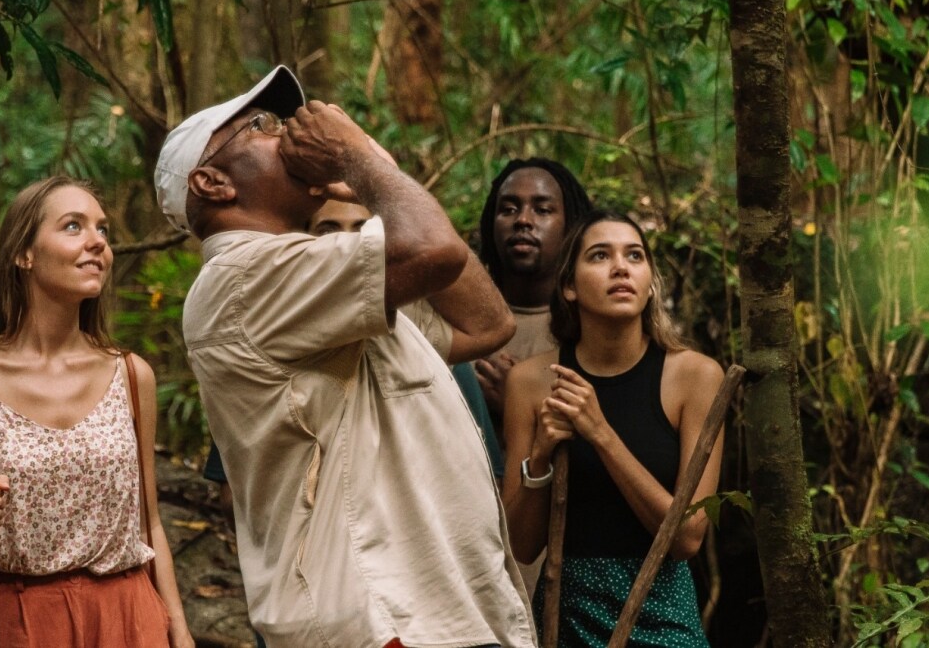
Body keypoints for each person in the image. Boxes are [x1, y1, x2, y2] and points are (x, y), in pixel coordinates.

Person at [155, 66, 534, 647]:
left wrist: (364, 181)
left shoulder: (319, 278)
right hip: (378, 615)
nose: (288, 135)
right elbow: (434, 249)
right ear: (211, 183)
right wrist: (362, 159)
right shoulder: (242, 277)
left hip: (436, 613)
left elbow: (485, 323)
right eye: (262, 126)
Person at [0, 176, 194, 648]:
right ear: (23, 255)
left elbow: (149, 524)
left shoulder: (131, 374)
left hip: (130, 616)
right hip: (23, 621)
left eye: (103, 230)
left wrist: (181, 634)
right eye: (73, 226)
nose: (97, 243)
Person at [500, 210, 725, 647]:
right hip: (567, 612)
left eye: (635, 256)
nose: (621, 267)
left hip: (663, 613)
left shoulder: (695, 376)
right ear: (569, 286)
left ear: (649, 282)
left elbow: (687, 538)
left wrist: (599, 432)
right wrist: (541, 458)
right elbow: (522, 548)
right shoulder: (531, 382)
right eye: (600, 256)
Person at [201, 201, 506, 493]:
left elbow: (492, 326)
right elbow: (235, 491)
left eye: (363, 230)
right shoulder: (267, 335)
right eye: (328, 230)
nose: (347, 244)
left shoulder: (415, 330)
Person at [472, 159, 595, 437]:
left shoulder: (591, 327)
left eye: (542, 210)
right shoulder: (459, 318)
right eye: (508, 209)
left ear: (571, 225)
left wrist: (517, 404)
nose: (523, 220)